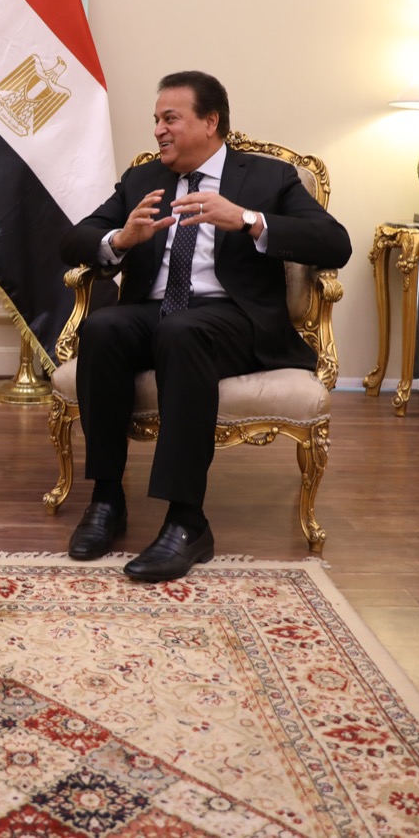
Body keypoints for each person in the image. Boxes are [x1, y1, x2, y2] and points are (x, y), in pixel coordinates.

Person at [60, 70, 352, 581]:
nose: (158, 130)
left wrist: (248, 220)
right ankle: (106, 500)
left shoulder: (268, 178)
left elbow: (335, 243)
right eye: (156, 120)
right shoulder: (143, 179)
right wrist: (121, 239)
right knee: (103, 328)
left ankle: (186, 520)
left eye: (170, 118)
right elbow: (75, 239)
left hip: (233, 317)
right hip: (156, 311)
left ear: (210, 122)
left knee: (183, 332)